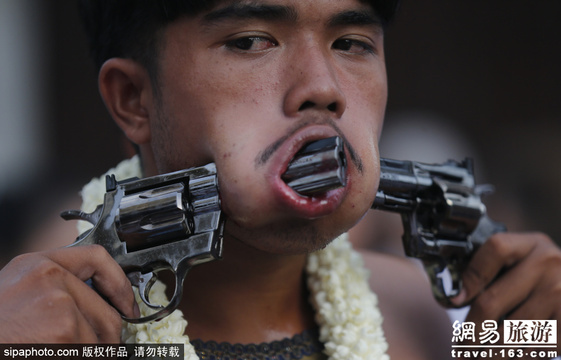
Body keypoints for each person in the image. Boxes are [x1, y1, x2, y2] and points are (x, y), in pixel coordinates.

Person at [0, 1, 560, 359]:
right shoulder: (46, 335)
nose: (323, 86)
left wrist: (533, 342)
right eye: (249, 41)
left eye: (351, 43)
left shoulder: (434, 323)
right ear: (133, 99)